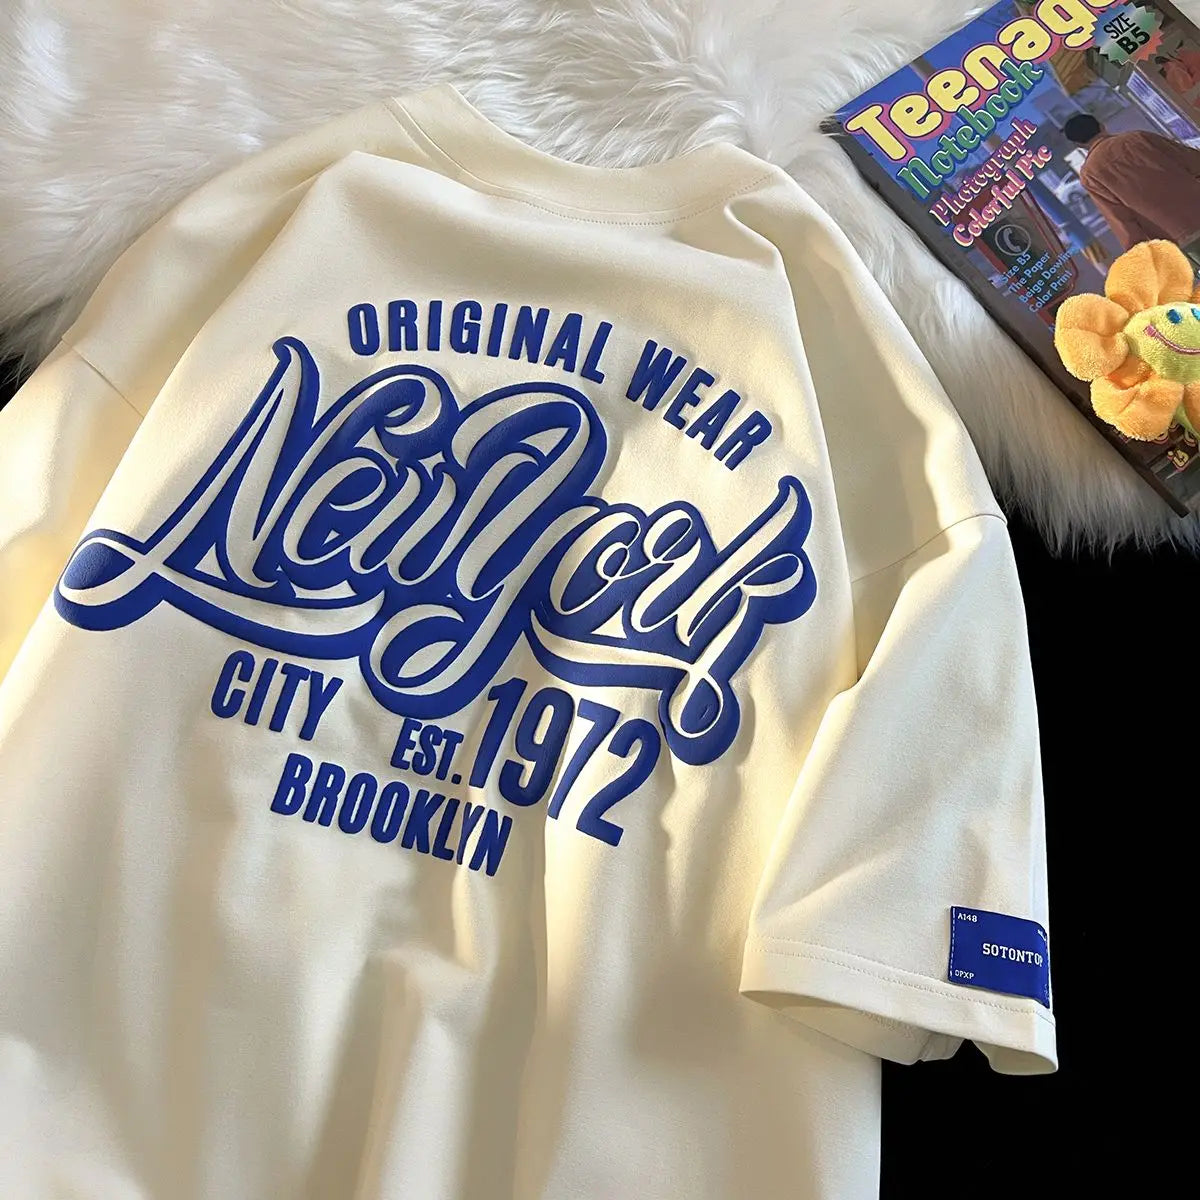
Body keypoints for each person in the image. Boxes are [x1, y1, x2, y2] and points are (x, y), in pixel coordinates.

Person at [1063, 113, 1200, 250]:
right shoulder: (1138, 138)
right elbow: (1193, 161)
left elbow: (1119, 218)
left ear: (1078, 144)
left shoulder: (1090, 175)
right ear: (1101, 126)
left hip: (1176, 234)